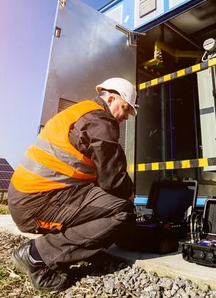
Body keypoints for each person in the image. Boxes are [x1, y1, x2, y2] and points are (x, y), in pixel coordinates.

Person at [8, 77, 138, 292]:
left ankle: (50, 250)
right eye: (125, 109)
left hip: (27, 197)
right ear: (112, 98)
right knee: (122, 212)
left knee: (109, 207)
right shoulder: (101, 122)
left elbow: (96, 176)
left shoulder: (81, 111)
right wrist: (130, 197)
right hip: (38, 202)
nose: (125, 116)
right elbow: (112, 179)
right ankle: (37, 256)